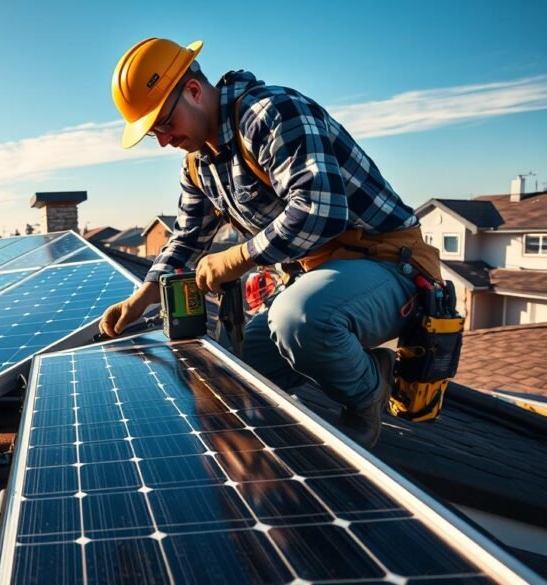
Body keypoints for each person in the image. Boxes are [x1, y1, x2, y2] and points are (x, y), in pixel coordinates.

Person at [98, 38, 441, 449]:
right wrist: (140, 300)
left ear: (193, 91)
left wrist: (238, 258)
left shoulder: (270, 112)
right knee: (235, 378)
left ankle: (370, 392)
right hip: (318, 277)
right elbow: (187, 239)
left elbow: (321, 209)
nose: (164, 140)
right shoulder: (198, 164)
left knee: (299, 321)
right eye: (153, 132)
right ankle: (337, 383)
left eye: (165, 124)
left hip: (389, 266)